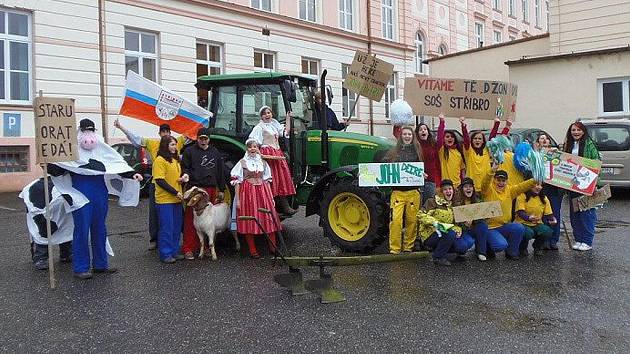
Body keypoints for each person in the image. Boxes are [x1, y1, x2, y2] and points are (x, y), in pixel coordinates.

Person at [48, 118, 142, 279]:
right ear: (79, 132)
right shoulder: (71, 151)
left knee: (100, 228)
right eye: (85, 130)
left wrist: (131, 173)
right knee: (82, 230)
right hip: (80, 194)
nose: (88, 134)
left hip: (99, 192)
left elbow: (115, 164)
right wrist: (49, 162)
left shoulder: (101, 149)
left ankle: (100, 264)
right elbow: (59, 169)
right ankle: (81, 267)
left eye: (91, 130)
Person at [114, 119, 186, 250]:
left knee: (177, 215)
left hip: (175, 184)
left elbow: (190, 134)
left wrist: (204, 119)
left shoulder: (176, 142)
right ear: (159, 134)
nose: (165, 134)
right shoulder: (153, 144)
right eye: (162, 132)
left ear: (170, 133)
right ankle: (155, 239)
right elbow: (136, 139)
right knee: (155, 213)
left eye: (167, 132)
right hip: (158, 184)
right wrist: (121, 127)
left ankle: (179, 240)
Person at [181, 127, 227, 260]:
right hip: (196, 189)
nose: (203, 141)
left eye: (205, 138)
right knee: (191, 219)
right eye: (201, 138)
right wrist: (185, 176)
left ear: (209, 139)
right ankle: (188, 248)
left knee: (209, 221)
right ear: (197, 138)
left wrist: (222, 189)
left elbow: (220, 171)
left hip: (211, 189)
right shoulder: (189, 151)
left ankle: (206, 247)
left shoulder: (215, 152)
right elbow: (186, 168)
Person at [231, 139, 282, 258]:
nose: (252, 149)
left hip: (263, 192)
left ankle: (273, 247)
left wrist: (271, 197)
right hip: (248, 193)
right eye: (250, 147)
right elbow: (237, 182)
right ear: (247, 149)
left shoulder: (263, 163)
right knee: (250, 219)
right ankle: (253, 250)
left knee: (268, 217)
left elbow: (267, 180)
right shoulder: (242, 163)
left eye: (255, 147)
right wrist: (238, 199)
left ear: (258, 149)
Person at [248, 106, 297, 215]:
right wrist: (259, 153)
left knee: (281, 180)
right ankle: (271, 208)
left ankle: (285, 207)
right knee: (271, 180)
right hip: (268, 154)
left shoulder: (274, 125)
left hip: (277, 153)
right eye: (265, 113)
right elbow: (252, 141)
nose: (267, 115)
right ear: (261, 116)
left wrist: (288, 118)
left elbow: (285, 132)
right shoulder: (259, 127)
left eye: (269, 113)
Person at [481, 164, 536, 260]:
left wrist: (536, 179)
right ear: (494, 180)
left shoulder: (510, 190)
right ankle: (487, 246)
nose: (501, 183)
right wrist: (492, 171)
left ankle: (511, 252)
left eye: (503, 180)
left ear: (506, 181)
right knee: (500, 245)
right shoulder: (488, 190)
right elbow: (485, 183)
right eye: (498, 180)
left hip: (504, 226)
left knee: (519, 227)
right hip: (490, 228)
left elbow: (522, 186)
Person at [383, 126, 423, 254]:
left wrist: (422, 174)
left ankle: (408, 247)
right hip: (397, 192)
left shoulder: (417, 151)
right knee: (395, 221)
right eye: (405, 134)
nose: (407, 136)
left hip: (413, 192)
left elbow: (420, 168)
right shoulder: (394, 151)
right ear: (401, 136)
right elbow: (384, 165)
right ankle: (394, 248)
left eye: (409, 134)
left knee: (412, 221)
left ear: (412, 137)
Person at [563, 121, 601, 251]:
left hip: (586, 184)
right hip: (573, 185)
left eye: (578, 130)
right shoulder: (568, 144)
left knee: (587, 213)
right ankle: (578, 239)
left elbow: (596, 164)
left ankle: (587, 241)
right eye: (573, 130)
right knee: (575, 214)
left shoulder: (590, 145)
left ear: (583, 131)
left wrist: (595, 184)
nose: (576, 132)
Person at [417, 179, 471, 266]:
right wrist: (435, 223)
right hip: (430, 233)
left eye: (450, 189)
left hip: (446, 232)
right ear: (441, 191)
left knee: (463, 247)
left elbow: (455, 223)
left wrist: (458, 228)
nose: (448, 191)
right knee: (450, 234)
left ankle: (440, 249)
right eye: (445, 189)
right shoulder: (432, 201)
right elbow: (420, 215)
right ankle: (437, 257)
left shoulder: (454, 204)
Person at [153, 136, 186, 263]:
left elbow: (174, 177)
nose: (174, 147)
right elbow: (160, 180)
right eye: (172, 144)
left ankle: (174, 251)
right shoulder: (160, 160)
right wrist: (175, 191)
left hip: (177, 199)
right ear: (165, 146)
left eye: (175, 145)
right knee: (167, 227)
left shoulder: (175, 160)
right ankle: (165, 253)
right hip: (165, 200)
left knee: (176, 227)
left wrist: (182, 178)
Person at [534, 133, 563, 250]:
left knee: (555, 214)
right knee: (543, 214)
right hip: (541, 188)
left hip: (555, 189)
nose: (545, 140)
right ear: (538, 142)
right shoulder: (535, 154)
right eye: (542, 138)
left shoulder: (556, 153)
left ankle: (553, 240)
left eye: (546, 138)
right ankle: (544, 240)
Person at [460, 117, 504, 190]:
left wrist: (496, 124)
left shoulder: (486, 150)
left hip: (486, 187)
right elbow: (466, 139)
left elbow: (491, 138)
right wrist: (463, 126)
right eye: (475, 138)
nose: (477, 140)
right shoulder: (468, 151)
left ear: (483, 141)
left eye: (480, 139)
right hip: (471, 188)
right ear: (472, 140)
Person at [515, 183, 557, 256]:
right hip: (522, 223)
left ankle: (537, 247)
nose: (539, 187)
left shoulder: (544, 198)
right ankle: (522, 248)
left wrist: (553, 219)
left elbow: (549, 214)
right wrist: (528, 218)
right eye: (536, 184)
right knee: (528, 233)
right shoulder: (522, 196)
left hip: (537, 224)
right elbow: (520, 212)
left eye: (541, 185)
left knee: (547, 231)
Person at [456, 177, 493, 261]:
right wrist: (464, 224)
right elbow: (454, 220)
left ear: (473, 188)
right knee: (463, 246)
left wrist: (474, 219)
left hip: (475, 229)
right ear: (462, 189)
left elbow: (484, 217)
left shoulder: (478, 200)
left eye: (470, 186)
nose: (468, 188)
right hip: (462, 230)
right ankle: (460, 250)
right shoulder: (457, 201)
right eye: (465, 187)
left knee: (483, 225)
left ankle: (481, 252)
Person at [437, 114, 465, 187]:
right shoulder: (442, 150)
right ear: (444, 139)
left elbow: (462, 171)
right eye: (447, 137)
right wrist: (442, 122)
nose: (450, 138)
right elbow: (439, 138)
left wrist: (463, 183)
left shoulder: (458, 152)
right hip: (445, 186)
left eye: (452, 137)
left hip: (458, 185)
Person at [415, 123, 440, 204]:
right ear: (417, 133)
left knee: (429, 204)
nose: (423, 131)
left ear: (428, 132)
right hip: (417, 179)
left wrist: (441, 122)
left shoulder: (433, 144)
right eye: (420, 129)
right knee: (418, 204)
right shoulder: (415, 145)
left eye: (425, 129)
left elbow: (437, 162)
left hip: (431, 179)